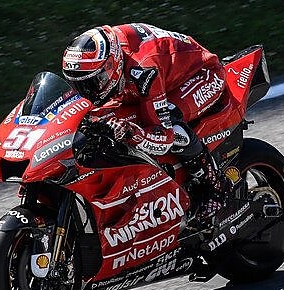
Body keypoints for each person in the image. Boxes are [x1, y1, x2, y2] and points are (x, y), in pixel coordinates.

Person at [62, 23, 228, 230]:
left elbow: (164, 136)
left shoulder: (143, 70)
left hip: (202, 75)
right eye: (77, 84)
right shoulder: (109, 60)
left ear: (111, 66)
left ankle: (215, 187)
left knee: (173, 124)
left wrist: (133, 133)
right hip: (160, 76)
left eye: (93, 82)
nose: (85, 91)